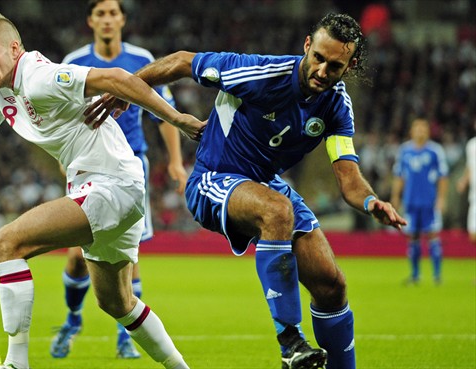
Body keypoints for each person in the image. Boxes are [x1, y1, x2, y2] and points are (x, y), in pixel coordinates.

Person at [0, 11, 204, 369]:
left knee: (7, 243)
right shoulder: (1, 92)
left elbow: (115, 76)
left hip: (111, 184)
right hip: (109, 186)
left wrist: (177, 118)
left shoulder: (39, 77)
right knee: (117, 303)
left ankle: (16, 364)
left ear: (14, 48)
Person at [86, 12, 407, 369]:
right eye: (318, 58)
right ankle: (290, 342)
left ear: (350, 65)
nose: (322, 71)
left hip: (265, 186)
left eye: (335, 66)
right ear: (307, 46)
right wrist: (124, 90)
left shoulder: (336, 105)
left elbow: (348, 177)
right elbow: (180, 61)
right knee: (277, 210)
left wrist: (370, 200)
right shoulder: (260, 74)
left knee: (332, 285)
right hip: (213, 178)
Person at [50, 0, 188, 360]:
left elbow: (161, 110)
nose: (108, 19)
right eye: (101, 13)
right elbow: (59, 116)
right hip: (87, 163)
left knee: (129, 255)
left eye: (114, 13)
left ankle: (126, 335)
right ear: (91, 21)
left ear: (122, 20)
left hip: (130, 167)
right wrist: (65, 158)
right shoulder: (74, 61)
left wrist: (175, 162)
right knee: (78, 258)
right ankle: (73, 318)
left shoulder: (141, 58)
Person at [391, 118, 449, 285]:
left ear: (428, 132)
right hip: (410, 201)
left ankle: (437, 276)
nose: (420, 131)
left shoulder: (435, 151)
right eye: (417, 128)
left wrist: (441, 199)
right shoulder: (404, 151)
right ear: (411, 131)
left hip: (429, 202)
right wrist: (396, 196)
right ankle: (415, 275)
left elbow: (443, 177)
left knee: (432, 235)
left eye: (423, 128)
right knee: (412, 237)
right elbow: (399, 175)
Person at [457, 135, 476, 244]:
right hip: (474, 196)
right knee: (473, 235)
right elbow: (470, 167)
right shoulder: (471, 145)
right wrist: (464, 181)